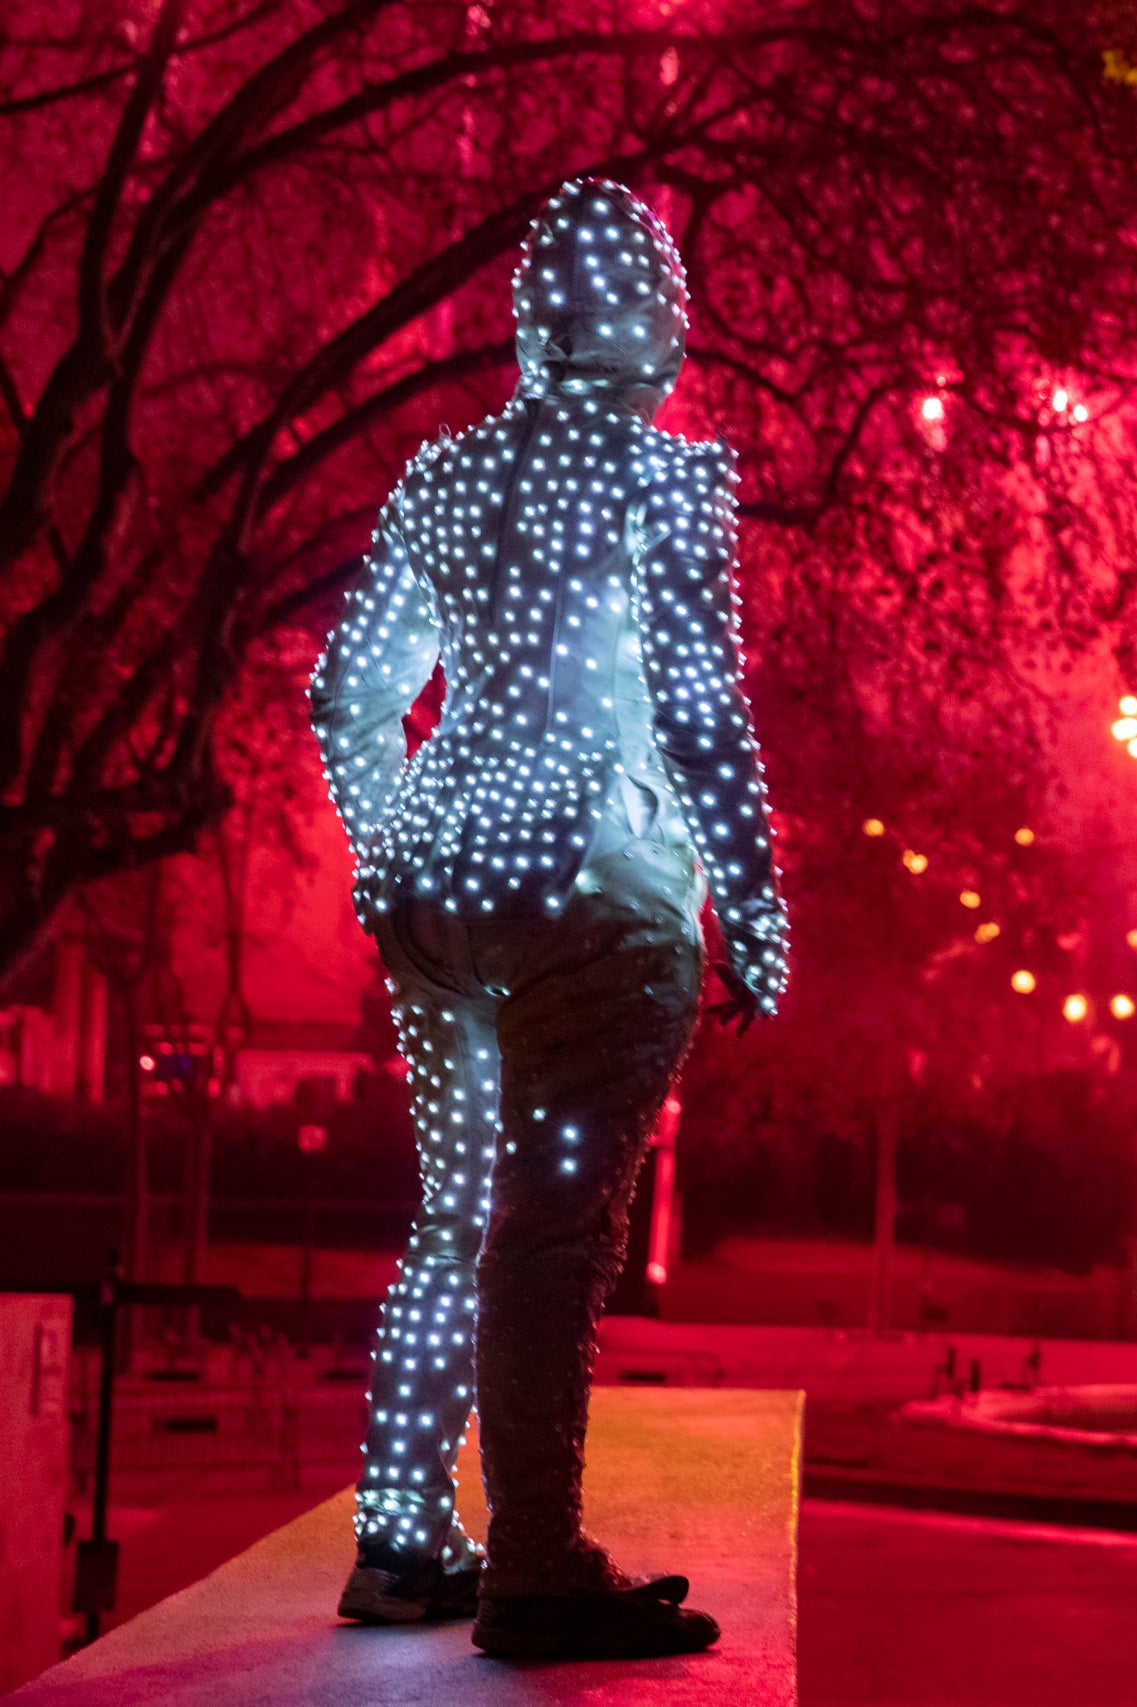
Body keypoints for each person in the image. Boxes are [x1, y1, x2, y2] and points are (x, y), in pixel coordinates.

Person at [309, 178, 787, 1659]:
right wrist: (755, 911)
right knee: (553, 1233)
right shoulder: (665, 482)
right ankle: (533, 1567)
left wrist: (397, 850)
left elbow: (347, 699)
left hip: (440, 897)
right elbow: (699, 712)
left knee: (455, 1215)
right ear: (659, 326)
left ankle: (402, 1539)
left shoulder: (443, 480)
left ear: (530, 322)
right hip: (594, 898)